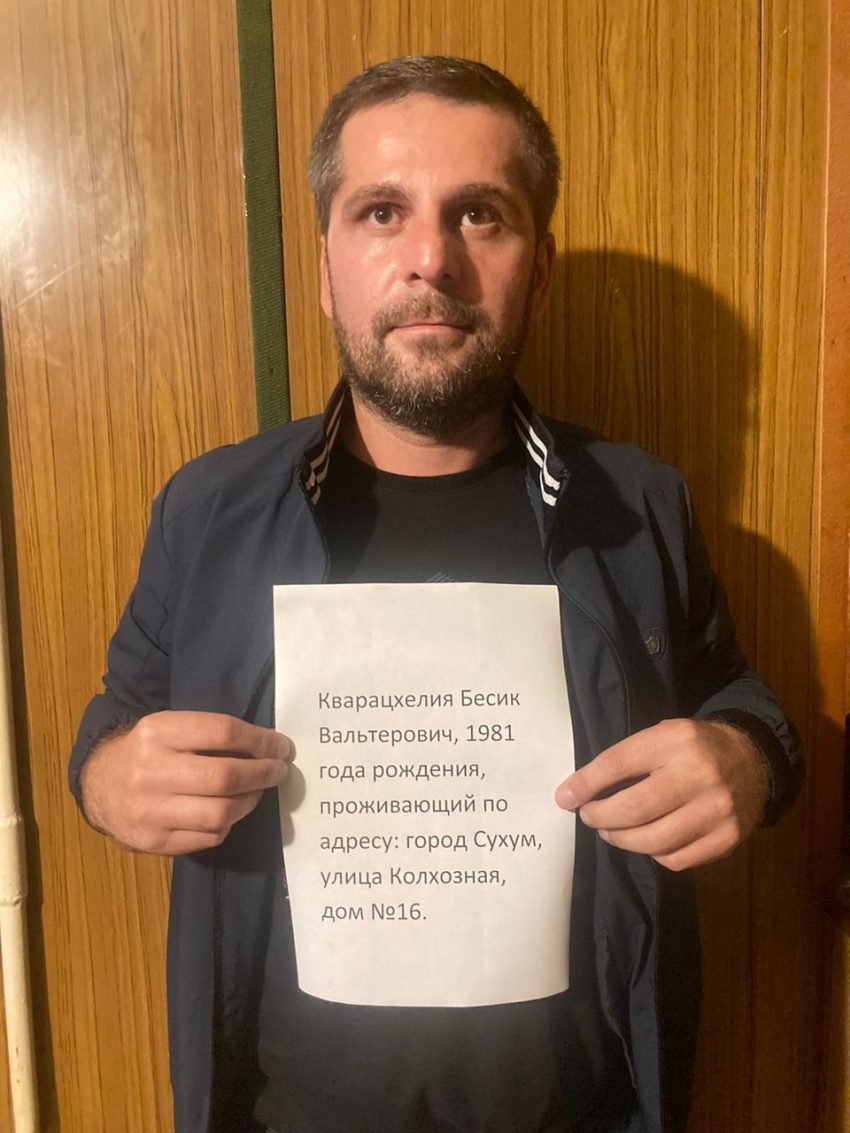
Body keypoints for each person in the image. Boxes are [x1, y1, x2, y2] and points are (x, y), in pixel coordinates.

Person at [69, 56, 801, 1133]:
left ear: (536, 273)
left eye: (479, 215)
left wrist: (749, 758)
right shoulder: (208, 509)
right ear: (327, 270)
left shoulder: (639, 502)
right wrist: (105, 779)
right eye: (381, 212)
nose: (430, 258)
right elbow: (115, 717)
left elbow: (736, 695)